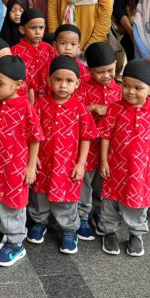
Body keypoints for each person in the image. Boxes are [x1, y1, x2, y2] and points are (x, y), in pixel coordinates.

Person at [99, 60, 150, 257]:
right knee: (110, 202)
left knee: (137, 204)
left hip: (140, 172)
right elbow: (105, 135)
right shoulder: (115, 108)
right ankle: (109, 232)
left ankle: (136, 234)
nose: (130, 91)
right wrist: (103, 160)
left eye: (138, 88)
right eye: (126, 85)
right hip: (115, 168)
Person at [28, 56, 96, 255]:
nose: (63, 85)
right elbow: (33, 134)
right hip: (44, 162)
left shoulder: (80, 109)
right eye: (58, 80)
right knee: (39, 195)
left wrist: (81, 164)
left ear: (77, 83)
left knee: (66, 199)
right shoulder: (40, 105)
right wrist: (35, 157)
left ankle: (69, 228)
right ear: (49, 81)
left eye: (68, 81)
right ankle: (39, 222)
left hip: (67, 165)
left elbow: (86, 137)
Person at [0, 55, 43, 267]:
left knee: (13, 202)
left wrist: (30, 166)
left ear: (18, 85)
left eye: (0, 83)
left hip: (16, 166)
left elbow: (35, 137)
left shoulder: (25, 107)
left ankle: (16, 243)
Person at [77, 42, 121, 239]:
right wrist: (92, 108)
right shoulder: (82, 88)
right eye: (99, 72)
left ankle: (99, 213)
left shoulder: (120, 91)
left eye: (110, 70)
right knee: (84, 182)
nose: (106, 76)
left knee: (102, 183)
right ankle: (82, 216)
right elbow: (73, 112)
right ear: (89, 70)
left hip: (109, 149)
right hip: (87, 147)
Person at [11, 9, 56, 103]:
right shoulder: (14, 51)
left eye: (41, 27)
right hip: (24, 99)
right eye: (33, 28)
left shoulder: (49, 49)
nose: (38, 32)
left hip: (47, 98)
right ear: (22, 29)